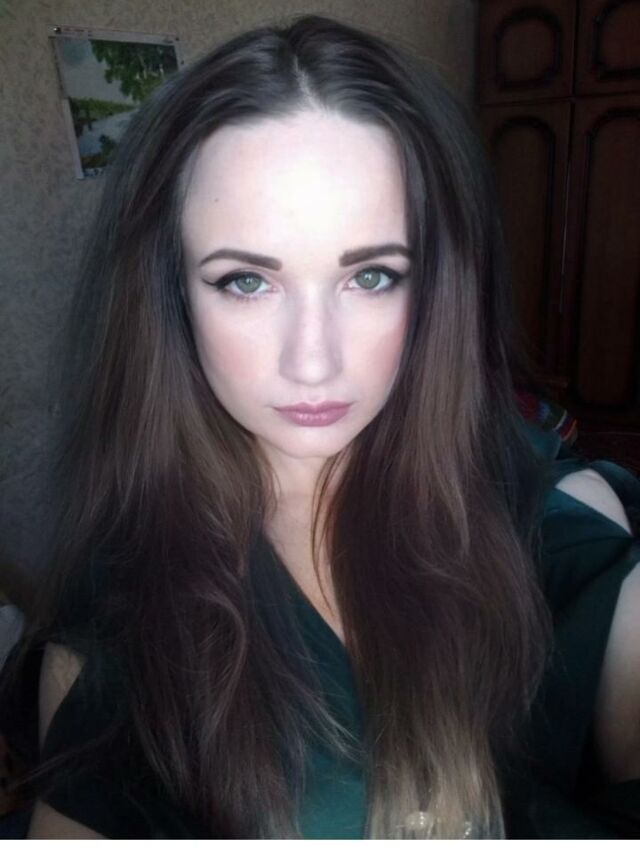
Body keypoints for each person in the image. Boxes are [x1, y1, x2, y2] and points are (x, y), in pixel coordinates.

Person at [1, 13, 639, 839]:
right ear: (171, 296)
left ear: (436, 287)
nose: (313, 362)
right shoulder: (116, 621)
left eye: (372, 276)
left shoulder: (565, 526)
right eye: (246, 281)